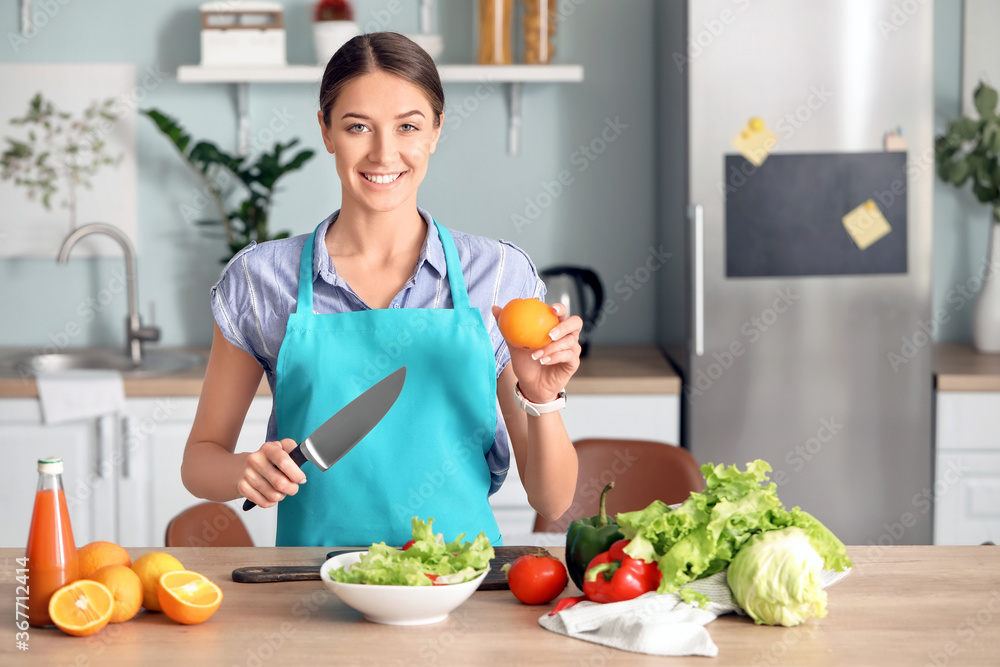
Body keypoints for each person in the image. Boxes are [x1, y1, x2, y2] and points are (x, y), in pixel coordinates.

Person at [181, 32, 581, 547]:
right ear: (326, 131)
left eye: (408, 126)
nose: (383, 152)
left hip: (462, 589)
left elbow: (552, 500)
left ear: (436, 131)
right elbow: (199, 461)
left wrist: (543, 399)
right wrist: (244, 470)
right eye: (357, 127)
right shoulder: (261, 280)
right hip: (312, 590)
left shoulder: (499, 276)